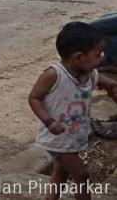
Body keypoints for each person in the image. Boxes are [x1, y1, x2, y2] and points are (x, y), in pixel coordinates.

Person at [28, 22, 117, 200]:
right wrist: (49, 122)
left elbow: (108, 83)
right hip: (57, 137)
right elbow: (34, 98)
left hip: (74, 136)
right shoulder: (54, 75)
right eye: (97, 55)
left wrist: (113, 89)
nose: (101, 59)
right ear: (78, 57)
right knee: (81, 175)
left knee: (60, 174)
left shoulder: (90, 74)